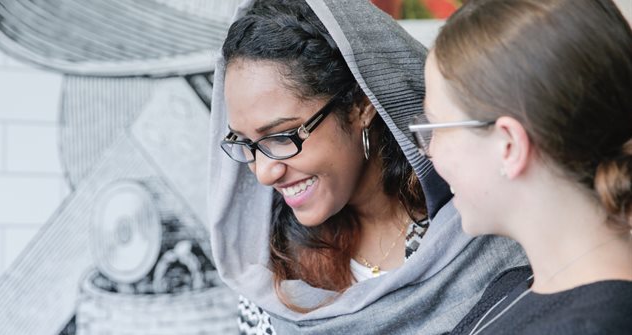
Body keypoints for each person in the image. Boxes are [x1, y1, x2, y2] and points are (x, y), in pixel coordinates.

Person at [208, 0, 527, 333]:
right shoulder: (273, 274)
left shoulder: (487, 223)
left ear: (361, 106)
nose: (263, 173)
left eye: (282, 136)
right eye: (244, 143)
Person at [409, 0, 632, 333]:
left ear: (509, 146)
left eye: (434, 129)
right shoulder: (518, 285)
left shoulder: (592, 325)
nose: (429, 153)